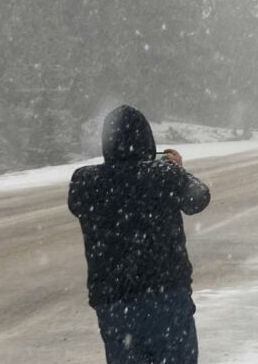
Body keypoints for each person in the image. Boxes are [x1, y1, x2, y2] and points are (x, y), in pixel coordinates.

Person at [68, 105, 211, 364]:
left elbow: (77, 203)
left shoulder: (85, 182)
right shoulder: (164, 175)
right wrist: (178, 169)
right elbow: (199, 198)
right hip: (166, 296)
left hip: (114, 302)